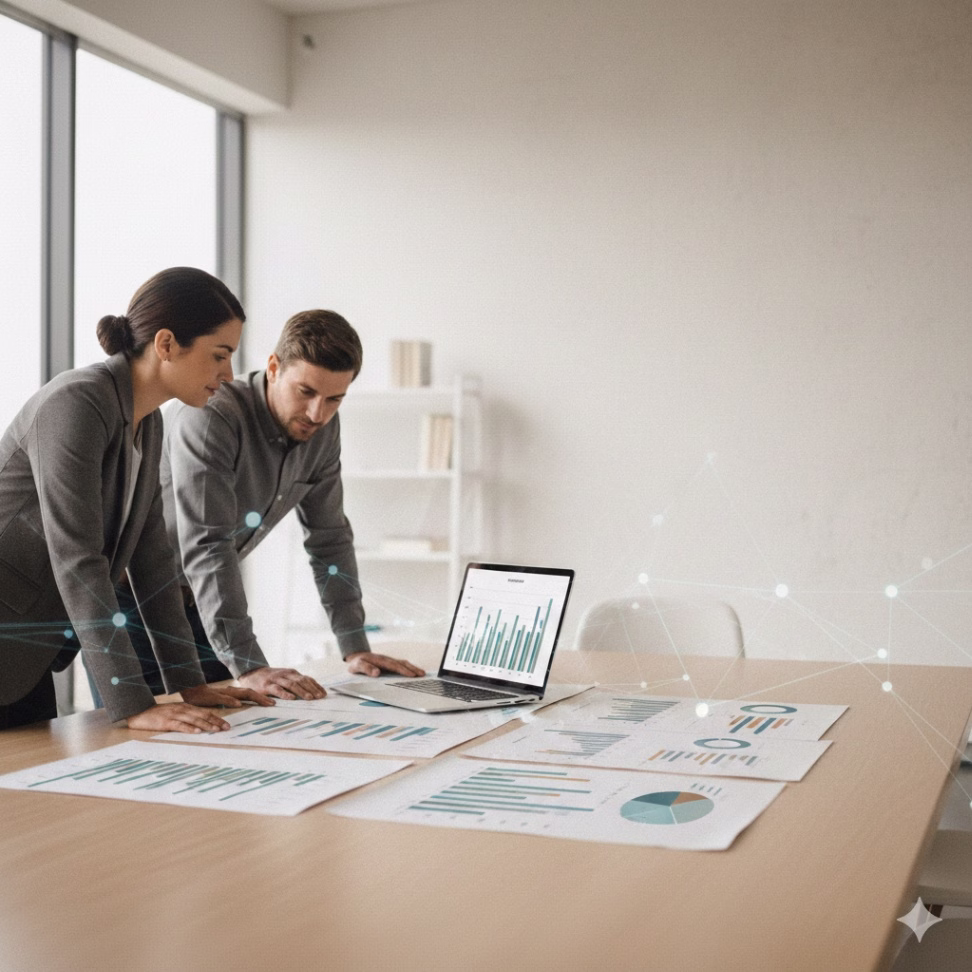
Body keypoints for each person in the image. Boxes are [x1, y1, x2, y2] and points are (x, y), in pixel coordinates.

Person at [0, 267, 273, 731]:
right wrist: (134, 705)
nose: (228, 375)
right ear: (166, 344)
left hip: (26, 656)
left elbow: (152, 561)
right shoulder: (76, 403)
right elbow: (78, 559)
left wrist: (190, 683)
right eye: (219, 355)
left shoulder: (148, 422)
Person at [155, 309, 425, 701]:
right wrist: (249, 665)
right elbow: (208, 543)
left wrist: (354, 644)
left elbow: (329, 537)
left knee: (226, 727)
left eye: (335, 399)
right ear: (273, 368)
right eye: (306, 392)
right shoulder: (212, 416)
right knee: (154, 738)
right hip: (137, 604)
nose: (318, 414)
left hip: (201, 604)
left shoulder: (323, 430)